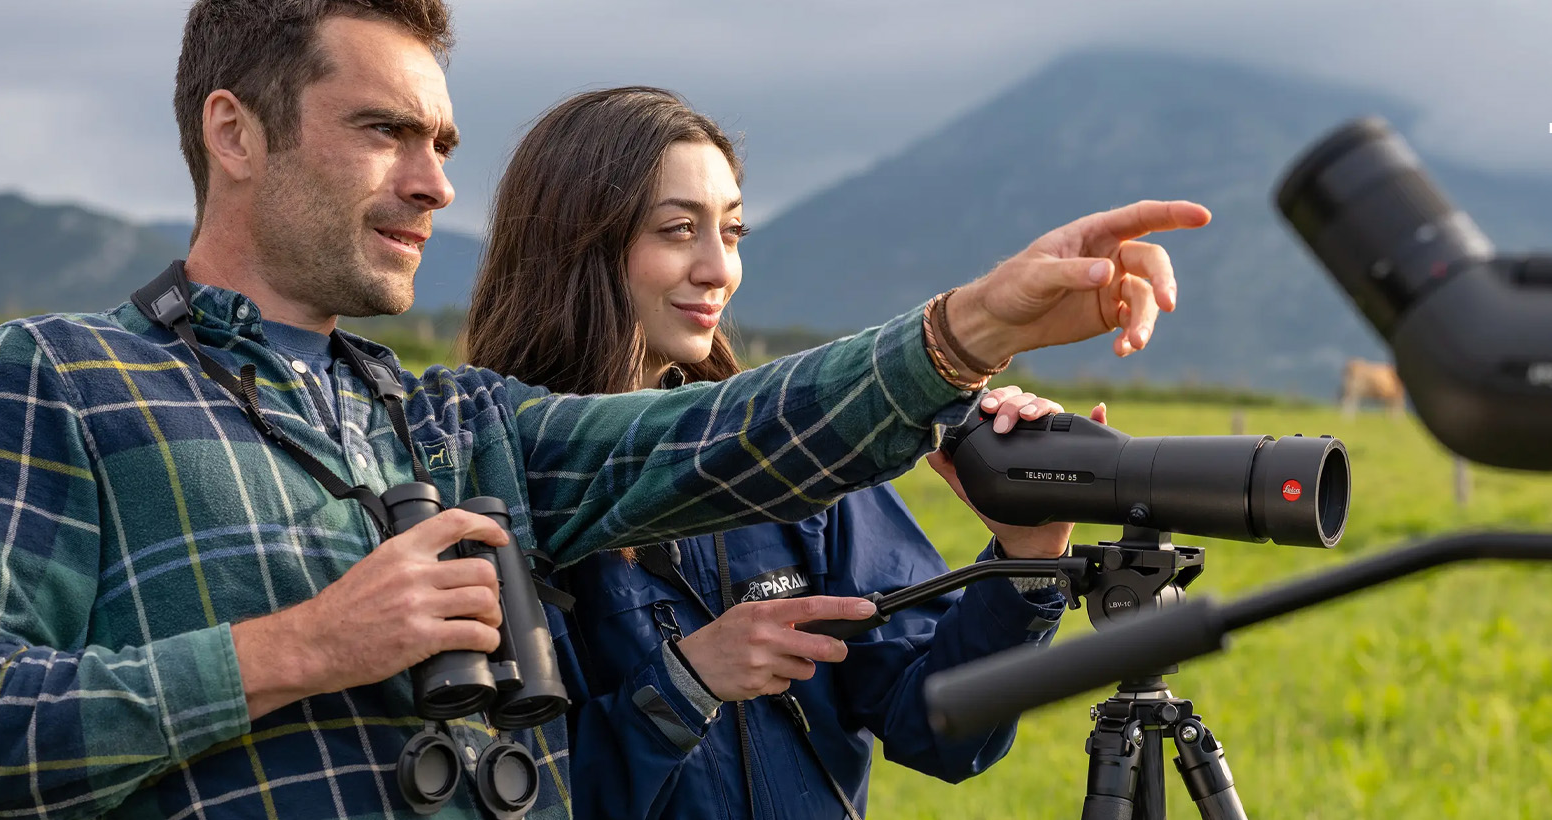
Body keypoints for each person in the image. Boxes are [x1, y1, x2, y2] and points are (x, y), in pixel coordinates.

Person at [0, 1, 1210, 818]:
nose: (433, 186)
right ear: (235, 131)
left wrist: (967, 332)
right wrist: (305, 647)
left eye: (446, 147)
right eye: (386, 132)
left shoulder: (460, 426)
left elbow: (729, 435)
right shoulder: (58, 377)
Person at [465, 86, 1094, 819]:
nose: (718, 269)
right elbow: (507, 793)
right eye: (677, 230)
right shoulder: (492, 480)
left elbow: (941, 730)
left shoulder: (800, 461)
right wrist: (685, 684)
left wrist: (1020, 562)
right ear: (578, 245)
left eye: (732, 233)